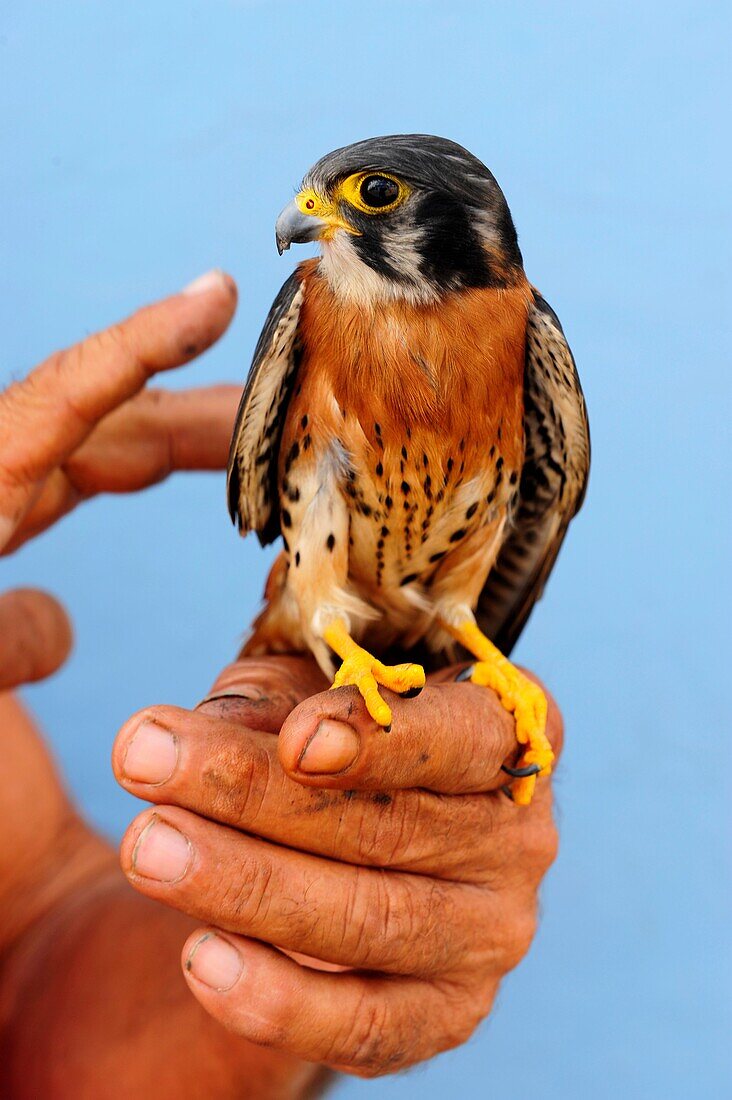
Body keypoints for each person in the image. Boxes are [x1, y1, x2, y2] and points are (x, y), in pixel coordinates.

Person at [0, 270, 562, 1097]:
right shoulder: (319, 310)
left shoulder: (524, 340)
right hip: (326, 592)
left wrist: (276, 964)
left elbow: (33, 926)